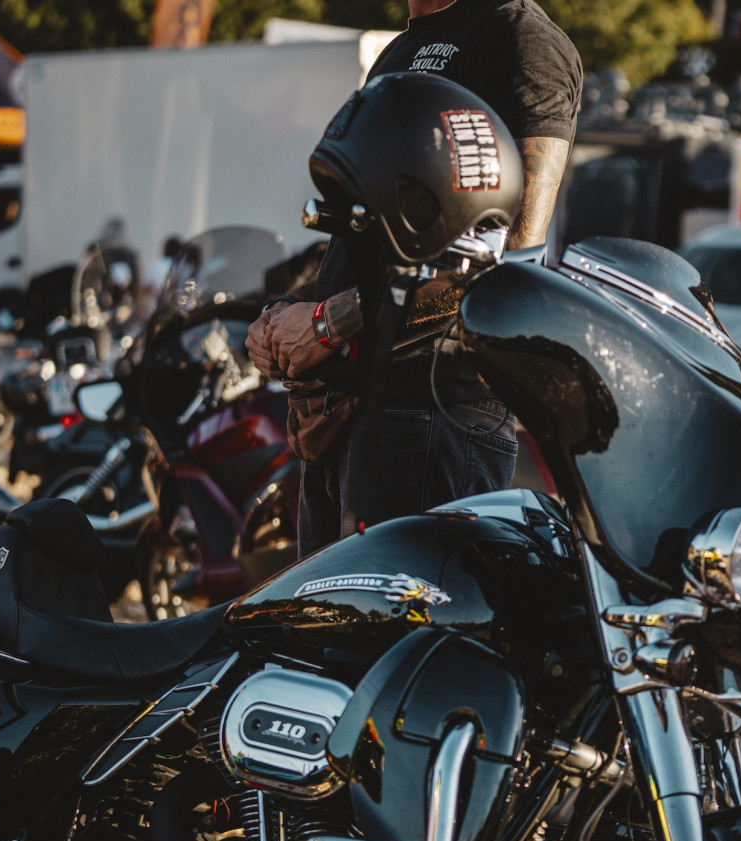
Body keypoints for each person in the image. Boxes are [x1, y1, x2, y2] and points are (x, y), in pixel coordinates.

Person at [247, 0, 582, 556]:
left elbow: (506, 262)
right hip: (345, 414)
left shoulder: (516, 35)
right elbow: (364, 243)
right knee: (319, 639)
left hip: (431, 413)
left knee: (402, 640)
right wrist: (287, 310)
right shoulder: (403, 48)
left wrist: (330, 325)